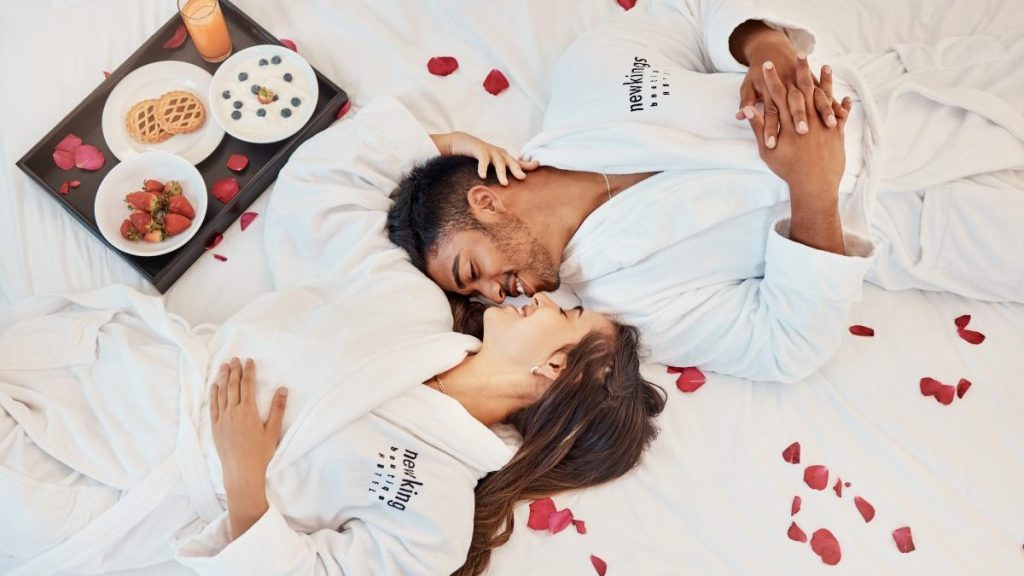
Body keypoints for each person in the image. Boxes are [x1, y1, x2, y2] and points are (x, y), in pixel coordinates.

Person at [0, 98, 665, 576]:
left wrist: (247, 491)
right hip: (112, 367)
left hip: (111, 494)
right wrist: (447, 142)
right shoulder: (409, 306)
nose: (546, 299)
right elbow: (326, 185)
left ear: (556, 365)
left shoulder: (436, 508)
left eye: (570, 317)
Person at [387, 3, 1024, 382]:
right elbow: (784, 347)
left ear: (486, 201)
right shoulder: (632, 303)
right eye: (478, 297)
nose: (500, 297)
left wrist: (762, 47)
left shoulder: (589, 79)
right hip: (946, 231)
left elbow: (696, 12)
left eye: (474, 271)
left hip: (931, 91)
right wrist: (813, 191)